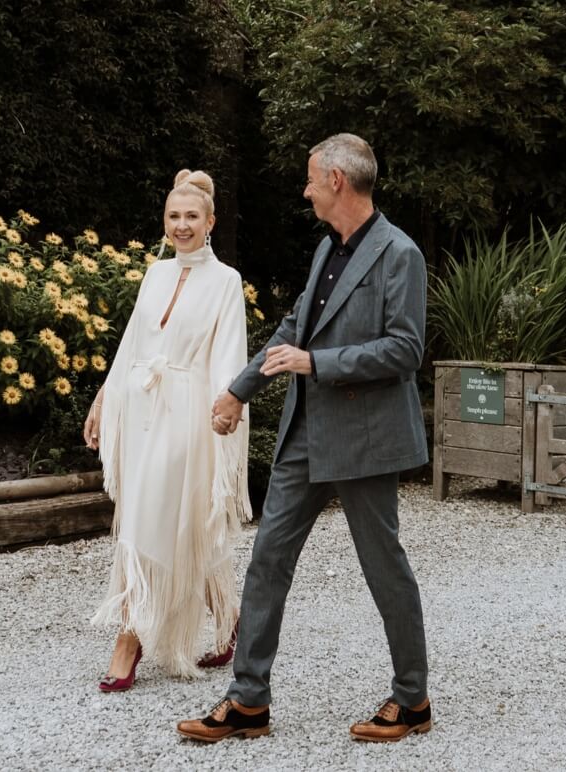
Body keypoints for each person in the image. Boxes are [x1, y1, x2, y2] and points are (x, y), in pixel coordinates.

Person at [176, 133, 431, 742]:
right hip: (304, 432)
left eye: (313, 178)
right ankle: (248, 702)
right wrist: (239, 389)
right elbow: (295, 328)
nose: (306, 188)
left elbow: (406, 349)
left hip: (365, 440)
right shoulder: (327, 248)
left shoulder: (400, 254)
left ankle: (413, 699)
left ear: (338, 181)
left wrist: (320, 364)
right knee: (268, 560)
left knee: (383, 567)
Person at [84, 169, 251, 690]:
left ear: (210, 222)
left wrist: (230, 404)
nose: (182, 225)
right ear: (164, 221)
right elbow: (132, 342)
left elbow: (229, 352)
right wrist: (104, 397)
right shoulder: (155, 274)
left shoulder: (225, 282)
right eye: (174, 216)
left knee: (148, 520)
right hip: (140, 409)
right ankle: (231, 623)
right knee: (175, 521)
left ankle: (129, 638)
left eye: (192, 217)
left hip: (189, 412)